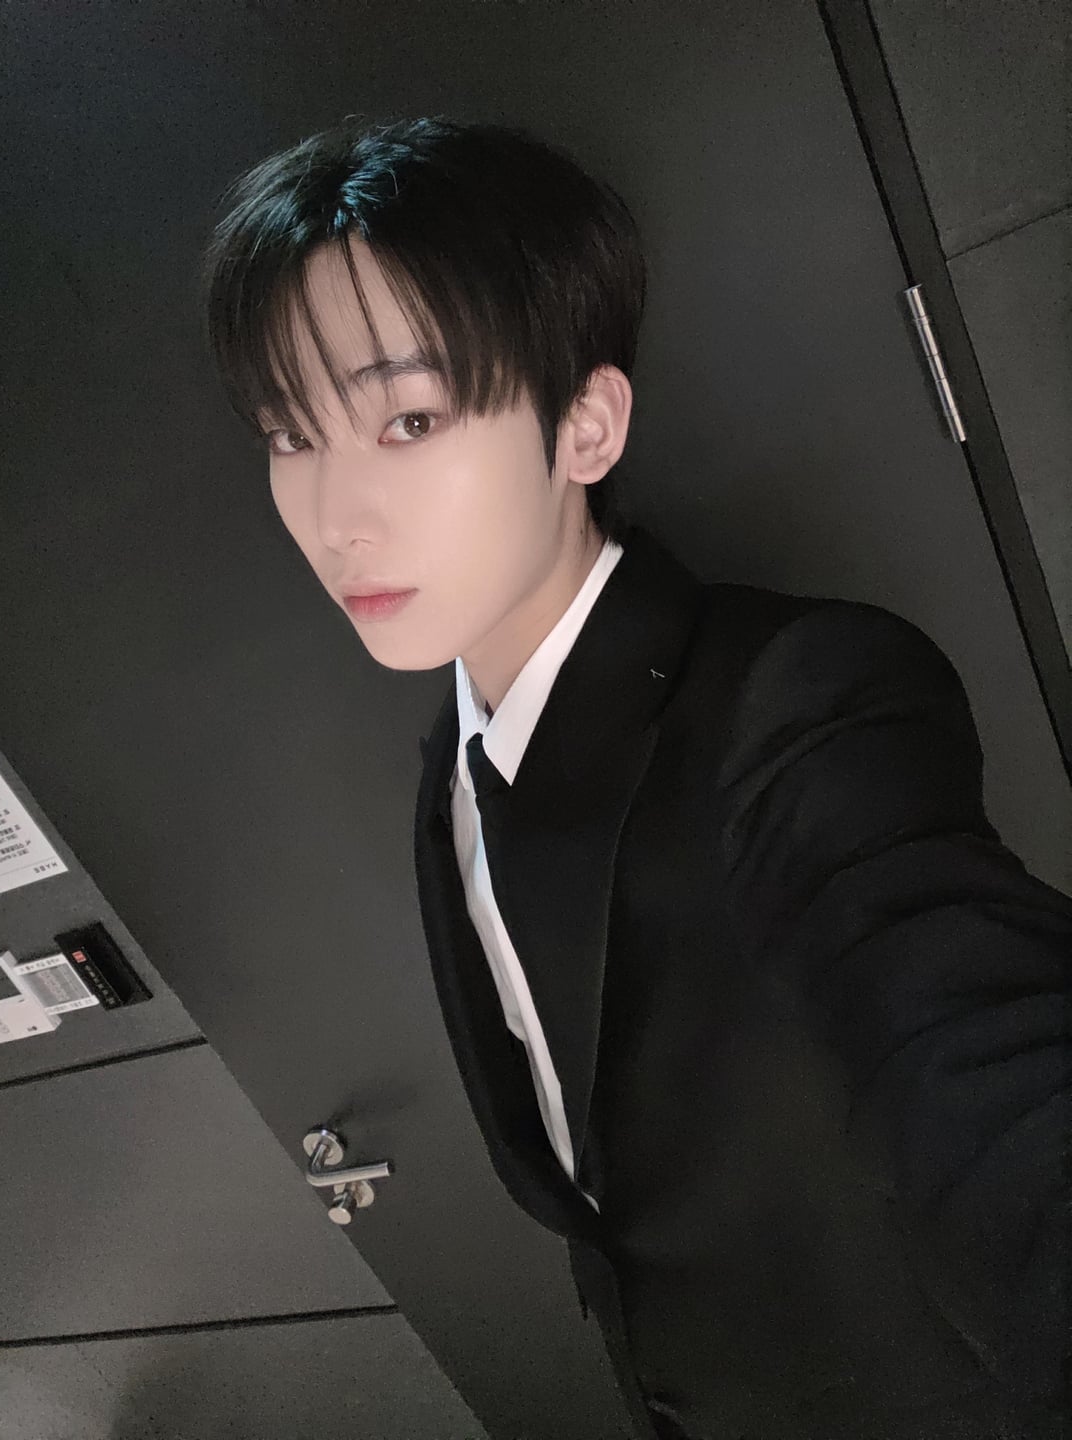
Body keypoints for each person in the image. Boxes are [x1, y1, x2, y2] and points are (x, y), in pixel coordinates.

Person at [201, 115, 1071, 1440]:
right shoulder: (453, 764)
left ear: (586, 425)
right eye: (289, 433)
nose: (335, 514)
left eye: (410, 419)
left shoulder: (797, 699)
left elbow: (968, 1035)